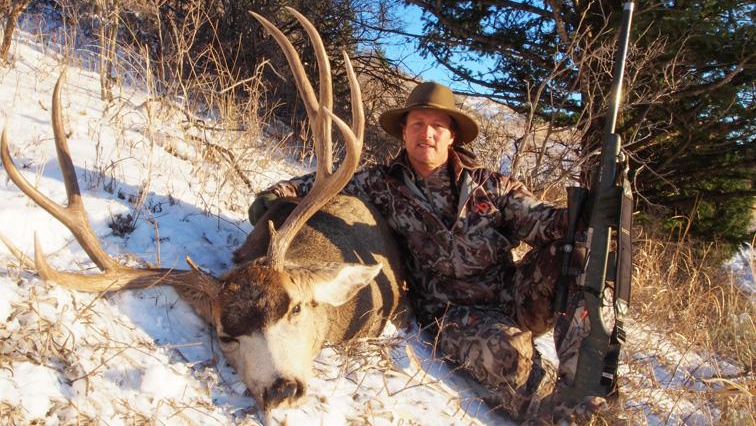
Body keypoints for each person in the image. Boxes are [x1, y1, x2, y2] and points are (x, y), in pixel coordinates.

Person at [248, 81, 606, 421]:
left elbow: (544, 223)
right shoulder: (377, 184)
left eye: (437, 125)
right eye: (417, 123)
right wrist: (274, 198)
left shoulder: (493, 186)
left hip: (513, 295)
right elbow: (309, 186)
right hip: (452, 313)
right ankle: (556, 415)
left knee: (577, 254)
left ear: (452, 136)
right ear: (404, 132)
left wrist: (585, 214)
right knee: (508, 354)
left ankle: (583, 381)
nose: (427, 133)